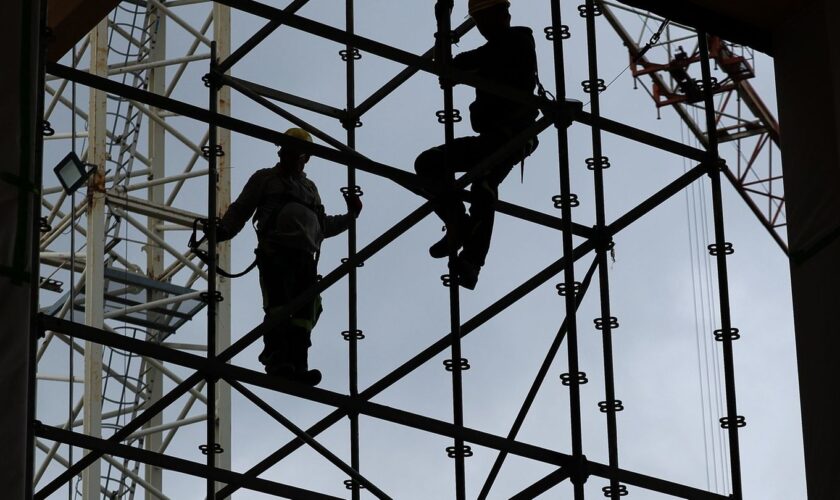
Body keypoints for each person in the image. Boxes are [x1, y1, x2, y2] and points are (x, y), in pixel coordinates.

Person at [213, 127, 362, 385]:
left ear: (306, 157)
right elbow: (242, 209)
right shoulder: (265, 179)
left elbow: (322, 225)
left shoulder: (310, 188)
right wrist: (223, 230)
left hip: (305, 256)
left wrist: (351, 217)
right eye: (287, 150)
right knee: (280, 306)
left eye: (296, 152)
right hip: (276, 252)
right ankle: (278, 361)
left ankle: (298, 365)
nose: (290, 155)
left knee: (305, 312)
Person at [414, 0, 540, 290]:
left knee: (483, 183)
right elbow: (446, 70)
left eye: (483, 20)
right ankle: (459, 223)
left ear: (501, 15)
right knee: (428, 163)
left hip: (514, 137)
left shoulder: (517, 43)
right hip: (490, 140)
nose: (482, 27)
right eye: (478, 21)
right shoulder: (491, 51)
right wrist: (441, 25)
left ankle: (472, 259)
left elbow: (448, 69)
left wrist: (443, 23)